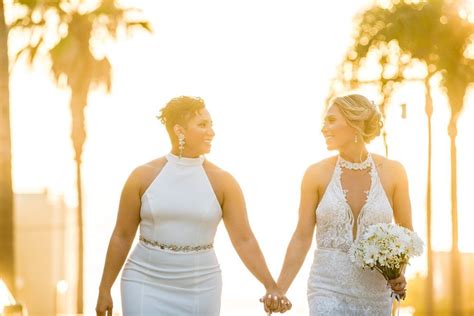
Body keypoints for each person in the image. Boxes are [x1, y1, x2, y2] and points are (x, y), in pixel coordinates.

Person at [95, 96, 291, 315]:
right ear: (179, 131)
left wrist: (270, 285)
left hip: (201, 286)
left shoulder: (224, 182)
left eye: (211, 125)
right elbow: (121, 235)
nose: (212, 132)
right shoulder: (142, 177)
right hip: (143, 281)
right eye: (202, 125)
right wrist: (104, 289)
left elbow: (244, 239)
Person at [265, 94, 413, 315]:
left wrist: (399, 272)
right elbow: (302, 236)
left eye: (331, 120)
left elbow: (406, 235)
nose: (324, 128)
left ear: (355, 122)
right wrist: (279, 289)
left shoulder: (394, 172)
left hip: (375, 293)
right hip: (326, 289)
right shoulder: (315, 174)